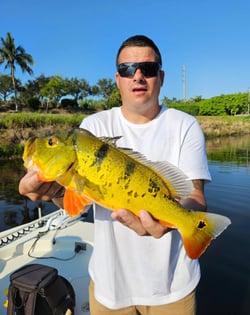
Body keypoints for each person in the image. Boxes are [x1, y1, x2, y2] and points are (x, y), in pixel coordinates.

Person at [19, 35, 211, 315]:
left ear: (162, 76)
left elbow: (196, 197)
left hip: (174, 288)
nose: (138, 76)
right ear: (117, 79)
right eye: (127, 69)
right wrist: (54, 194)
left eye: (148, 68)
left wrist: (176, 218)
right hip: (109, 289)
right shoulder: (92, 126)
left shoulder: (185, 125)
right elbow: (76, 200)